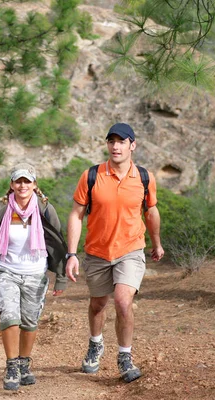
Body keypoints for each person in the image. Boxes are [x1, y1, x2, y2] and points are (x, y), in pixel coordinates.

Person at [65, 123, 164, 383]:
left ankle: (125, 356)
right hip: (97, 252)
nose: (116, 146)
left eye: (122, 141)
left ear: (133, 145)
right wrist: (71, 254)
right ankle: (96, 343)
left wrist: (156, 243)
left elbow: (151, 212)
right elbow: (76, 215)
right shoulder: (92, 175)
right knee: (98, 305)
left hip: (130, 249)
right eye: (112, 141)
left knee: (122, 301)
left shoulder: (144, 177)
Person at [0, 163, 67, 391]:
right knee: (9, 316)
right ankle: (11, 365)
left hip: (35, 273)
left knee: (30, 321)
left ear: (34, 184)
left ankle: (24, 362)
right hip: (6, 270)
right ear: (12, 184)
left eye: (27, 181)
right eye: (18, 181)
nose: (23, 185)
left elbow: (58, 242)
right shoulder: (2, 208)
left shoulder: (44, 208)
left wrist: (60, 276)